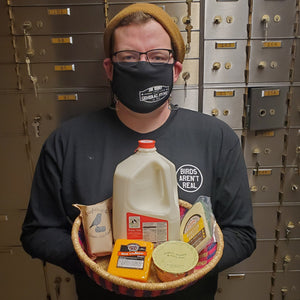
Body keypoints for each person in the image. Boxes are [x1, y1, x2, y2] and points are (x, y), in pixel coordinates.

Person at [21, 3, 256, 300]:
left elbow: (242, 234)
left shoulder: (216, 138)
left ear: (175, 70)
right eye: (129, 57)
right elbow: (36, 232)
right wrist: (100, 266)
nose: (144, 66)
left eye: (157, 57)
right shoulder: (67, 141)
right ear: (110, 69)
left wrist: (183, 268)